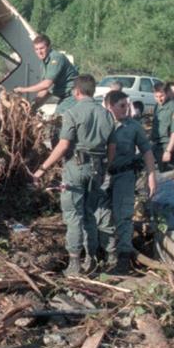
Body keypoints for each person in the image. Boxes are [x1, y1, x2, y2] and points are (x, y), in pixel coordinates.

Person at [32, 74, 115, 276]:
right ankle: (91, 259)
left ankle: (75, 263)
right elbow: (112, 147)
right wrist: (106, 168)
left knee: (73, 216)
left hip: (75, 169)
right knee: (89, 214)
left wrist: (42, 168)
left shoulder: (72, 112)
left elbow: (64, 145)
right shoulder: (107, 115)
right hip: (97, 170)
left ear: (76, 91)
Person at [95, 90, 157, 274]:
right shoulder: (100, 124)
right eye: (122, 105)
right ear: (109, 106)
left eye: (127, 105)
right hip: (104, 177)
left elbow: (146, 151)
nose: (126, 109)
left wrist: (152, 175)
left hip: (124, 176)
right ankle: (109, 256)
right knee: (101, 217)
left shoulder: (133, 126)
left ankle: (123, 260)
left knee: (123, 217)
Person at [14, 35, 79, 114]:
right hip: (65, 97)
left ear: (49, 47)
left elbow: (46, 84)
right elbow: (45, 90)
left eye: (42, 48)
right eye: (36, 49)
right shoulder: (44, 64)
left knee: (58, 119)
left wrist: (23, 90)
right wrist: (33, 106)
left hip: (74, 95)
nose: (39, 52)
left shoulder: (56, 58)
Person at [150, 81, 174, 171]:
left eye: (161, 96)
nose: (159, 99)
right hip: (159, 146)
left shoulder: (173, 106)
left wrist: (168, 151)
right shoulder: (157, 106)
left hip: (171, 147)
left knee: (171, 176)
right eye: (156, 97)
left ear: (167, 93)